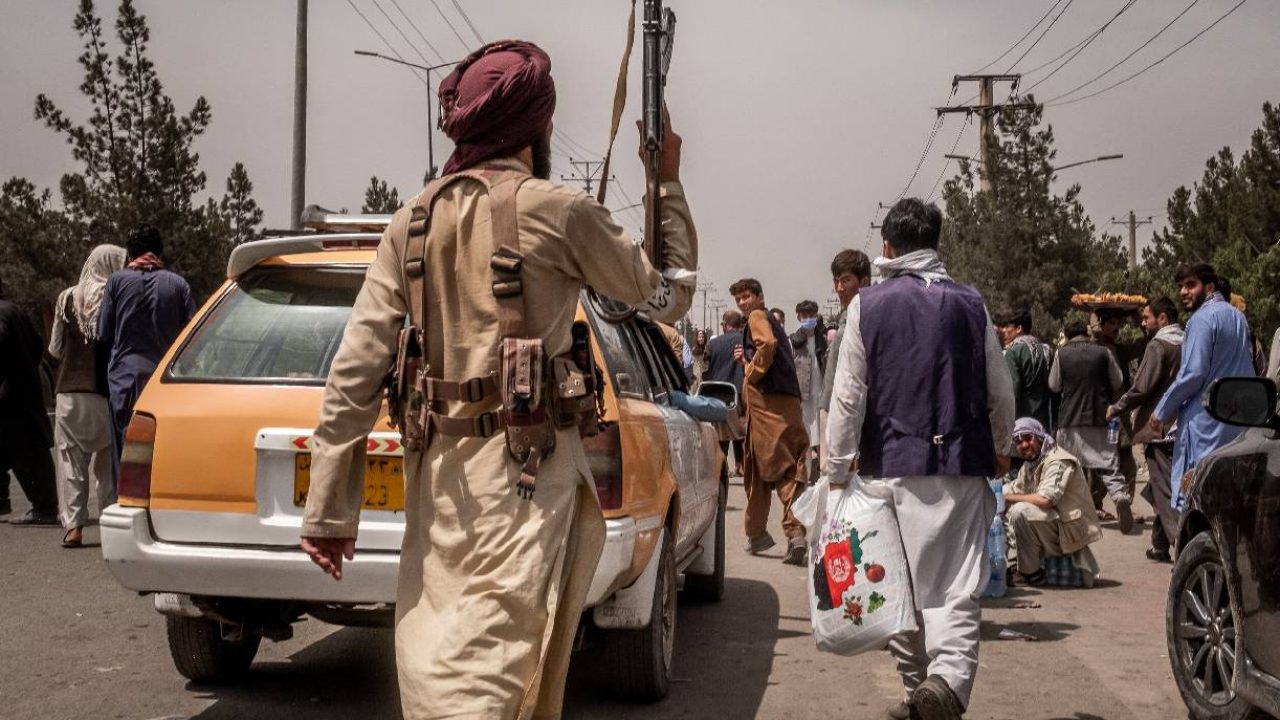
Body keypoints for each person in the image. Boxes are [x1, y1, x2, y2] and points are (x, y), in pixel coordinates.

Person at [298, 40, 697, 719]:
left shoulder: (411, 222)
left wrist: (332, 511)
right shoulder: (560, 210)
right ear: (535, 128)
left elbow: (355, 370)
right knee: (495, 670)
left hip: (440, 483)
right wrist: (666, 185)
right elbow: (669, 298)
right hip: (525, 483)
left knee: (443, 653)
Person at [825, 198, 1014, 720]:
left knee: (896, 589)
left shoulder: (867, 306)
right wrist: (1001, 450)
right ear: (936, 244)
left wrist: (835, 472)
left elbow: (847, 398)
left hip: (886, 469)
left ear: (886, 247)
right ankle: (944, 686)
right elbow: (1000, 389)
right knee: (954, 591)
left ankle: (918, 692)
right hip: (958, 468)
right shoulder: (971, 304)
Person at [1152, 264, 1255, 511]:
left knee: (1196, 496)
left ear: (1209, 287)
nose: (1184, 292)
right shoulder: (1237, 316)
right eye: (1181, 287)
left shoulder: (1200, 320)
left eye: (1190, 285)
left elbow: (1193, 374)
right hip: (1238, 419)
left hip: (1206, 422)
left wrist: (1162, 411)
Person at [49, 244, 127, 547]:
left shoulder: (66, 297)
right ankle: (110, 526)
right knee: (106, 468)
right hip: (105, 395)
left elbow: (55, 349)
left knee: (70, 463)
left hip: (69, 393)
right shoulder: (116, 298)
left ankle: (73, 528)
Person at [99, 225, 197, 463]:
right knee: (162, 456)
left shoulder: (116, 282)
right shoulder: (178, 284)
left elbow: (103, 333)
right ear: (159, 252)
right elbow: (194, 338)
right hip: (165, 384)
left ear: (130, 254)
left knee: (125, 461)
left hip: (124, 381)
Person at [730, 277, 808, 565]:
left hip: (769, 407)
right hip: (782, 405)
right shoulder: (767, 318)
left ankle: (793, 533)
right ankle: (759, 533)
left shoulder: (757, 316)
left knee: (778, 469)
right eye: (739, 299)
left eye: (747, 297)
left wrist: (750, 372)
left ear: (759, 297)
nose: (743, 303)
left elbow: (768, 345)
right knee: (763, 469)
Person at [1107, 297, 1182, 563]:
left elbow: (1142, 387)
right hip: (1182, 426)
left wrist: (1117, 407)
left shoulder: (1158, 345)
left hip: (1159, 427)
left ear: (1162, 319)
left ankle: (1182, 547)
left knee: (1163, 490)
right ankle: (1159, 545)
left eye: (1147, 317)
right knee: (1162, 484)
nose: (1143, 322)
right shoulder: (1186, 341)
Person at [1048, 320, 1132, 532]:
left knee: (1066, 466)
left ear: (1066, 335)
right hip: (1100, 418)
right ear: (1086, 333)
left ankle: (1068, 513)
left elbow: (1054, 385)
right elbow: (1118, 380)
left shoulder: (1061, 354)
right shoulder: (1103, 353)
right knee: (1107, 465)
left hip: (1070, 421)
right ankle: (1120, 496)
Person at [1003, 418, 1102, 587]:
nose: (1024, 445)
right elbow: (1015, 488)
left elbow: (1046, 499)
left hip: (1067, 529)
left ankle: (1031, 573)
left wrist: (1008, 498)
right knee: (1000, 506)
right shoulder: (1032, 463)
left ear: (1039, 436)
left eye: (1028, 438)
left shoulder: (1058, 460)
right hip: (1051, 524)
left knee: (1019, 511)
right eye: (1018, 442)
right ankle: (1016, 565)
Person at [0, 277, 61, 525]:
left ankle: (45, 508)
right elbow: (37, 346)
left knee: (25, 453)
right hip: (23, 392)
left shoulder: (3, 313)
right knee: (25, 451)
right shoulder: (14, 310)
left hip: (9, 397)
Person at [819, 249, 871, 471]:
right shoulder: (845, 318)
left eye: (846, 280)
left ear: (865, 282)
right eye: (836, 281)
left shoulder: (866, 319)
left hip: (848, 417)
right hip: (831, 408)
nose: (839, 288)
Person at [1093, 309, 1141, 500]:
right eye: (1111, 323)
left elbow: (1141, 344)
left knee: (1126, 458)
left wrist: (1137, 320)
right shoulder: (1094, 348)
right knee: (1098, 461)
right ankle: (1095, 504)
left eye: (1119, 324)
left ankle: (1127, 501)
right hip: (1100, 412)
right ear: (1101, 324)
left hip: (1119, 413)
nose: (1116, 328)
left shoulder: (1120, 349)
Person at [703, 309, 746, 474]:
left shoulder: (713, 344)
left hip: (719, 392)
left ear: (725, 325)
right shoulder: (745, 340)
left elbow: (705, 370)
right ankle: (741, 465)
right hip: (740, 391)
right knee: (740, 429)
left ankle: (722, 466)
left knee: (721, 431)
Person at [997, 309, 1053, 432]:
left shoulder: (1013, 352)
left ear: (1019, 329)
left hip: (1023, 420)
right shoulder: (1045, 349)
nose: (1005, 331)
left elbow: (1013, 388)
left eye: (1008, 326)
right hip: (1042, 419)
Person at [790, 299, 827, 481]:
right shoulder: (794, 342)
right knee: (804, 440)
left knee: (824, 440)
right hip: (802, 400)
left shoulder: (824, 341)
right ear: (798, 317)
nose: (808, 319)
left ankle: (824, 478)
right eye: (805, 316)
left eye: (811, 315)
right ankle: (803, 477)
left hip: (822, 397)